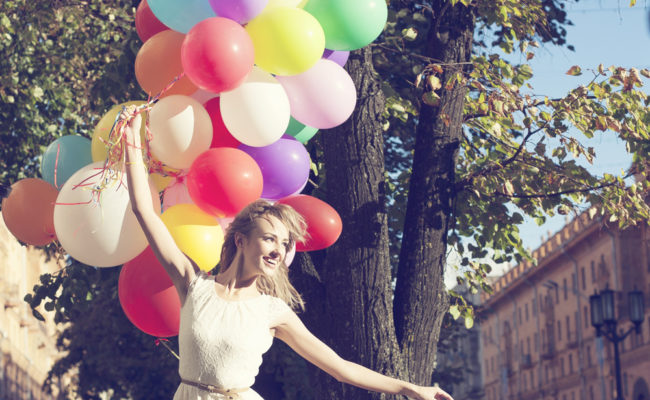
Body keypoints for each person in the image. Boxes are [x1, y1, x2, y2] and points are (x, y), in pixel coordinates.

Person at [120, 107, 453, 400]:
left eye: (283, 243)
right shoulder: (194, 285)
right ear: (240, 241)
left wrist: (410, 388)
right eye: (269, 239)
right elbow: (144, 211)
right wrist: (132, 138)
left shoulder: (272, 312)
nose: (278, 250)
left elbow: (339, 368)